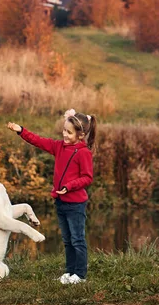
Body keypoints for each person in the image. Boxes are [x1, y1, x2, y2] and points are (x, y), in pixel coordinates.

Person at [7, 109, 96, 284]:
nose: (64, 134)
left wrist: (68, 187)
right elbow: (39, 141)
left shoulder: (83, 153)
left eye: (69, 132)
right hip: (60, 202)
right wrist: (21, 131)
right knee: (67, 240)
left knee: (77, 239)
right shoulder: (59, 147)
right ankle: (70, 273)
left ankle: (81, 275)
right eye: (64, 130)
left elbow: (87, 177)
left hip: (76, 204)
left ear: (81, 135)